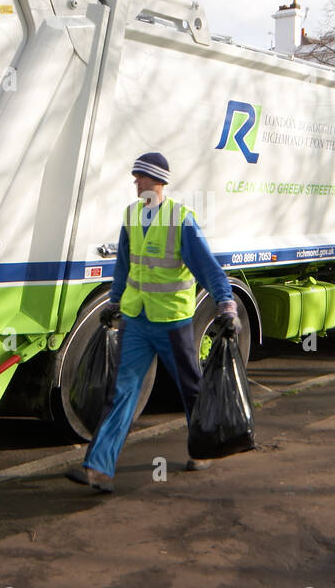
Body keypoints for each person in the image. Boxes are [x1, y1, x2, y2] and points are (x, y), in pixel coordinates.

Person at [66, 152, 238, 493]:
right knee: (122, 391)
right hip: (137, 320)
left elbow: (207, 267)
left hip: (172, 321)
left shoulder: (181, 220)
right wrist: (115, 301)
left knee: (191, 387)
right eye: (135, 177)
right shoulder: (131, 215)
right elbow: (124, 265)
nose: (135, 183)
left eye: (140, 177)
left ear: (157, 181)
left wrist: (227, 304)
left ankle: (204, 449)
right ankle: (99, 468)